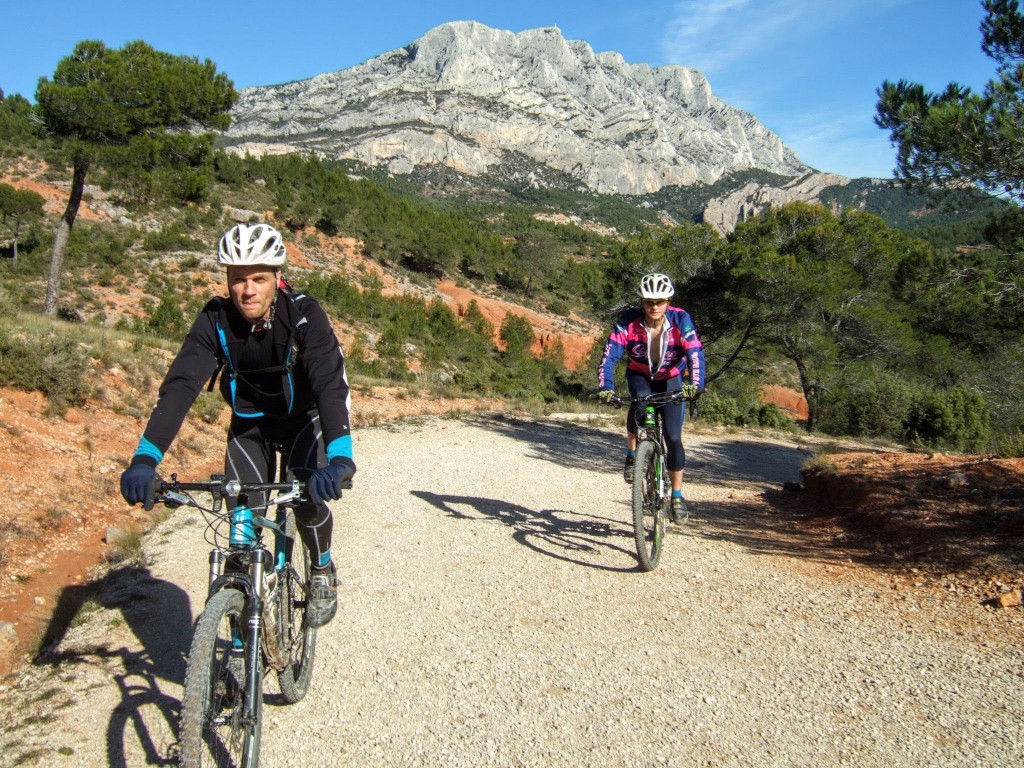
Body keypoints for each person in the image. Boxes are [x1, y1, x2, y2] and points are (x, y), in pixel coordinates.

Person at [119, 222, 355, 628]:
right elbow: (180, 387)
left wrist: (340, 458)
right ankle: (235, 640)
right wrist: (145, 457)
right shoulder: (215, 320)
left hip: (304, 420)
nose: (248, 290)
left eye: (258, 279)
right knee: (241, 528)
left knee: (308, 501)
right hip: (251, 426)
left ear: (277, 278)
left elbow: (330, 384)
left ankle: (321, 569)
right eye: (238, 279)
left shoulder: (303, 315)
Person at [597, 273, 705, 522]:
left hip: (671, 377)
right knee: (639, 404)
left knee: (673, 436)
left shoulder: (681, 319)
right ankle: (633, 454)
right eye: (648, 301)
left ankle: (676, 496)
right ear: (641, 302)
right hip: (640, 375)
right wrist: (606, 386)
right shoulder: (628, 320)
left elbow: (695, 353)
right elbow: (610, 353)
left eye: (659, 301)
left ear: (668, 301)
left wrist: (695, 385)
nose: (654, 306)